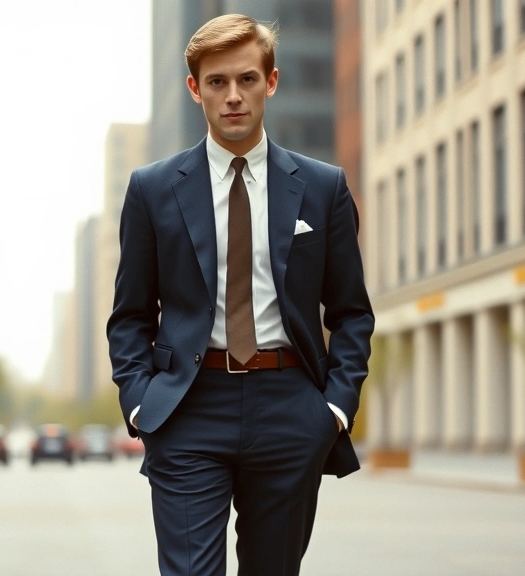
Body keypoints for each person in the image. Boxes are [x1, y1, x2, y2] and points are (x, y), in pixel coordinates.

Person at [107, 14, 374, 575]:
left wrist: (333, 410)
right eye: (217, 82)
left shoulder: (322, 188)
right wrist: (138, 404)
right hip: (187, 407)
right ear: (194, 89)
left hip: (290, 408)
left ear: (271, 82)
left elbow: (350, 312)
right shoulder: (152, 190)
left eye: (247, 80)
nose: (233, 96)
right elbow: (131, 315)